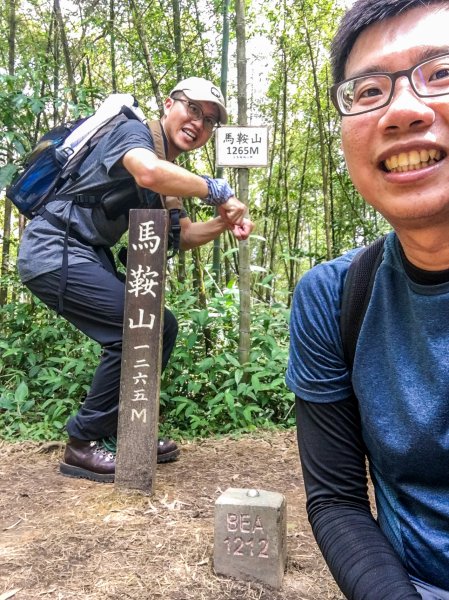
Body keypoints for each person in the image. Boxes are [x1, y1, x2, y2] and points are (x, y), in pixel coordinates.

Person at [286, 1, 449, 598]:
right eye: (367, 90)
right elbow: (335, 499)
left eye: (441, 72)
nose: (403, 110)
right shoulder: (333, 297)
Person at [18, 76, 253, 483]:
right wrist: (216, 189)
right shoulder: (131, 131)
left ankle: (129, 432)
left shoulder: (170, 178)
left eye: (210, 120)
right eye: (193, 109)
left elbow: (182, 236)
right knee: (132, 327)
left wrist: (222, 221)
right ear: (168, 104)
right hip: (54, 247)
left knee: (162, 325)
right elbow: (145, 172)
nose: (199, 123)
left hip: (83, 253)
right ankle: (83, 442)